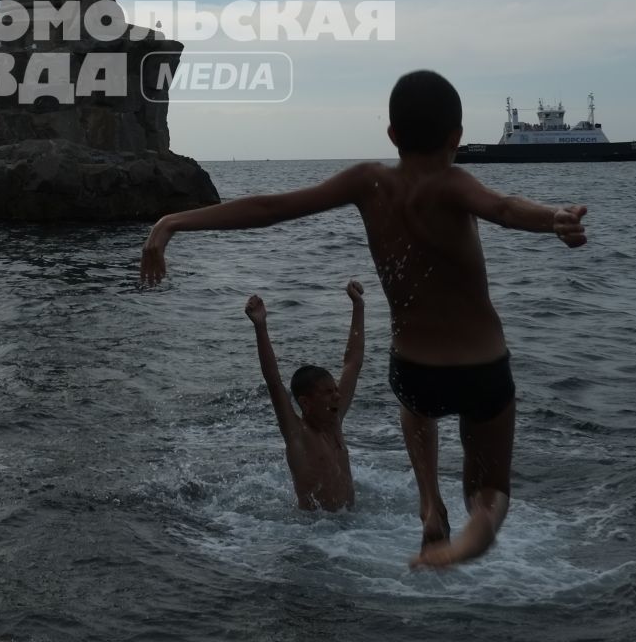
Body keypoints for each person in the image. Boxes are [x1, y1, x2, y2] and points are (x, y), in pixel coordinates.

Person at [140, 69, 588, 568]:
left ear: (392, 134)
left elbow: (270, 206)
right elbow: (504, 208)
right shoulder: (455, 183)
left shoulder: (367, 182)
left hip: (415, 368)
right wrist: (553, 217)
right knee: (488, 491)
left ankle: (426, 501)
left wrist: (172, 221)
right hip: (481, 366)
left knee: (417, 409)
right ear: (457, 138)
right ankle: (470, 535)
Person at [244, 280, 365, 511]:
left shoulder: (335, 420)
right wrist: (260, 327)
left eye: (336, 390)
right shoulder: (297, 434)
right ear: (306, 403)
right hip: (314, 534)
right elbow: (274, 381)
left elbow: (353, 363)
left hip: (352, 533)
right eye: (328, 392)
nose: (337, 396)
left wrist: (358, 307)